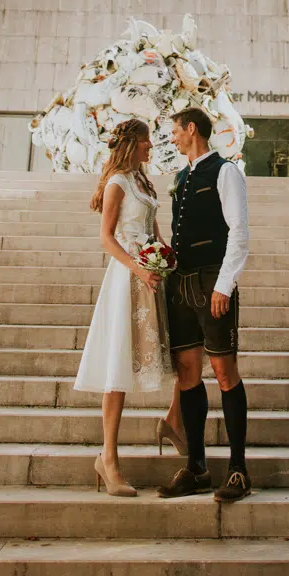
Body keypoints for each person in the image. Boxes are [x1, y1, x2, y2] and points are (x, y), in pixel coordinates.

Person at [74, 117, 176, 495]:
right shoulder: (117, 183)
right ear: (132, 142)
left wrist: (166, 257)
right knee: (118, 369)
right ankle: (109, 459)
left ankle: (172, 423)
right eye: (147, 141)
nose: (151, 146)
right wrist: (138, 268)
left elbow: (155, 229)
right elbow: (106, 238)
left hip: (151, 277)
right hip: (126, 279)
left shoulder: (143, 182)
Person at [158, 106, 252, 503]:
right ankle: (196, 467)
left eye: (175, 131)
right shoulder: (182, 176)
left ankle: (238, 471)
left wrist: (224, 285)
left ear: (191, 129)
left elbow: (239, 230)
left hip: (213, 280)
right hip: (179, 284)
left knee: (224, 372)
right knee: (187, 375)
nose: (172, 138)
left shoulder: (226, 171)